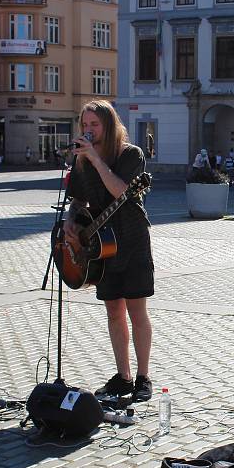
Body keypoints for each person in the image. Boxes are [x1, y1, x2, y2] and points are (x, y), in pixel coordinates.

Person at [64, 100, 154, 402]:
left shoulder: (131, 155)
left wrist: (96, 159)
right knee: (114, 312)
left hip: (131, 239)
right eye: (85, 125)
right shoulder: (80, 160)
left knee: (136, 311)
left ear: (108, 125)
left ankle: (143, 377)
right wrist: (70, 220)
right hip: (102, 244)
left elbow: (120, 192)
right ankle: (123, 377)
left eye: (95, 125)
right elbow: (77, 200)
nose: (88, 131)